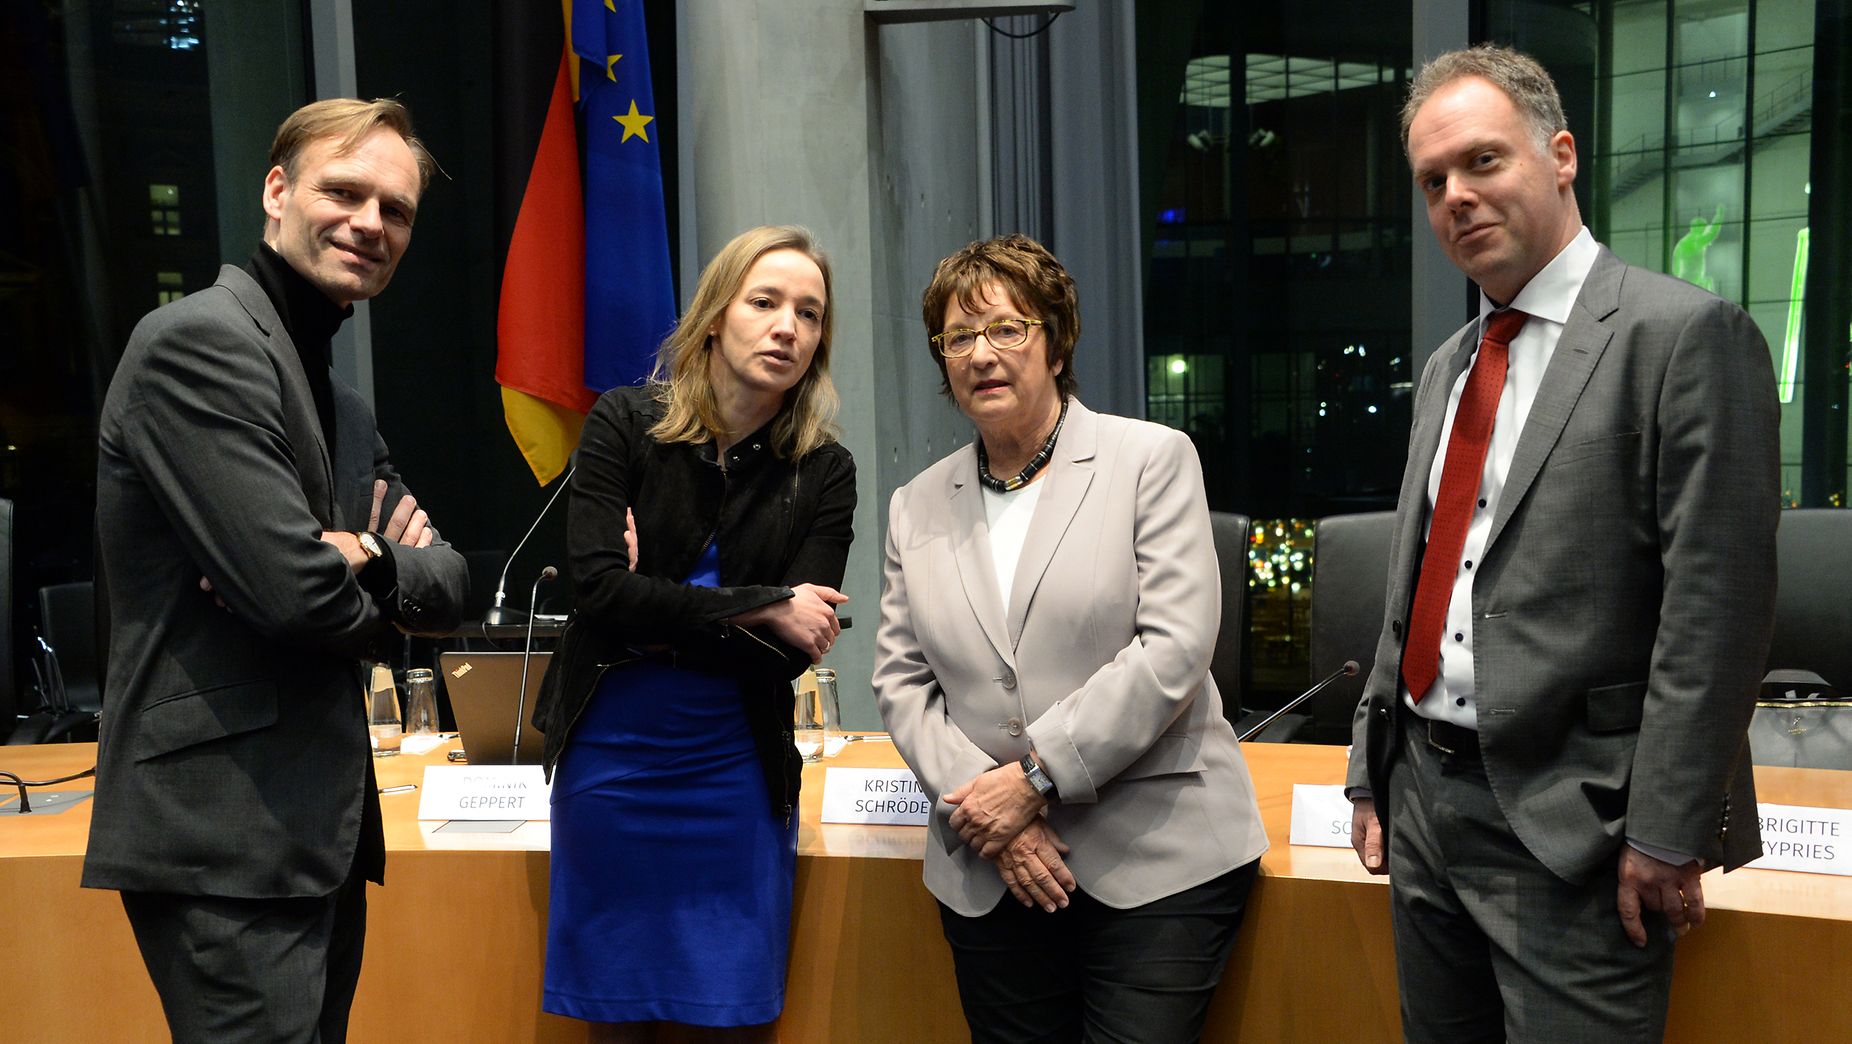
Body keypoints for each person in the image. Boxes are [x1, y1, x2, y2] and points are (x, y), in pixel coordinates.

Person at [1346, 44, 1779, 1042]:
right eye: (1432, 180)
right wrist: (1373, 767)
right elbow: (1420, 583)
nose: (1456, 196)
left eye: (1483, 162)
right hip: (1425, 811)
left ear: (1562, 155)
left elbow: (1715, 614)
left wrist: (1669, 830)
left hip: (1579, 828)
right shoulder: (1450, 363)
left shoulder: (1682, 337)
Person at [82, 98, 470, 1042]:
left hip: (313, 836)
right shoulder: (198, 343)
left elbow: (454, 584)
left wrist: (366, 553)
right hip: (227, 834)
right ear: (276, 191)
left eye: (397, 209)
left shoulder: (338, 403)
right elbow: (294, 597)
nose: (370, 223)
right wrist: (348, 573)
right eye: (345, 191)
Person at [873, 233, 1269, 1043]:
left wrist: (1035, 779)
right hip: (989, 865)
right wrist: (993, 811)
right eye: (958, 337)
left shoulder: (1150, 460)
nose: (981, 353)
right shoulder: (916, 504)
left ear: (1056, 342)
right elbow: (901, 683)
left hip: (1158, 856)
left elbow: (1175, 647)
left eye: (1008, 329)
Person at [532, 225, 856, 1042]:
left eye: (808, 313)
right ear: (717, 315)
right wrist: (762, 600)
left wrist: (662, 608)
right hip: (613, 760)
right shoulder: (625, 422)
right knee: (617, 1021)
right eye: (766, 302)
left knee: (731, 1015)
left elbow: (792, 650)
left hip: (734, 768)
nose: (787, 326)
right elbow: (600, 592)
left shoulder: (822, 469)